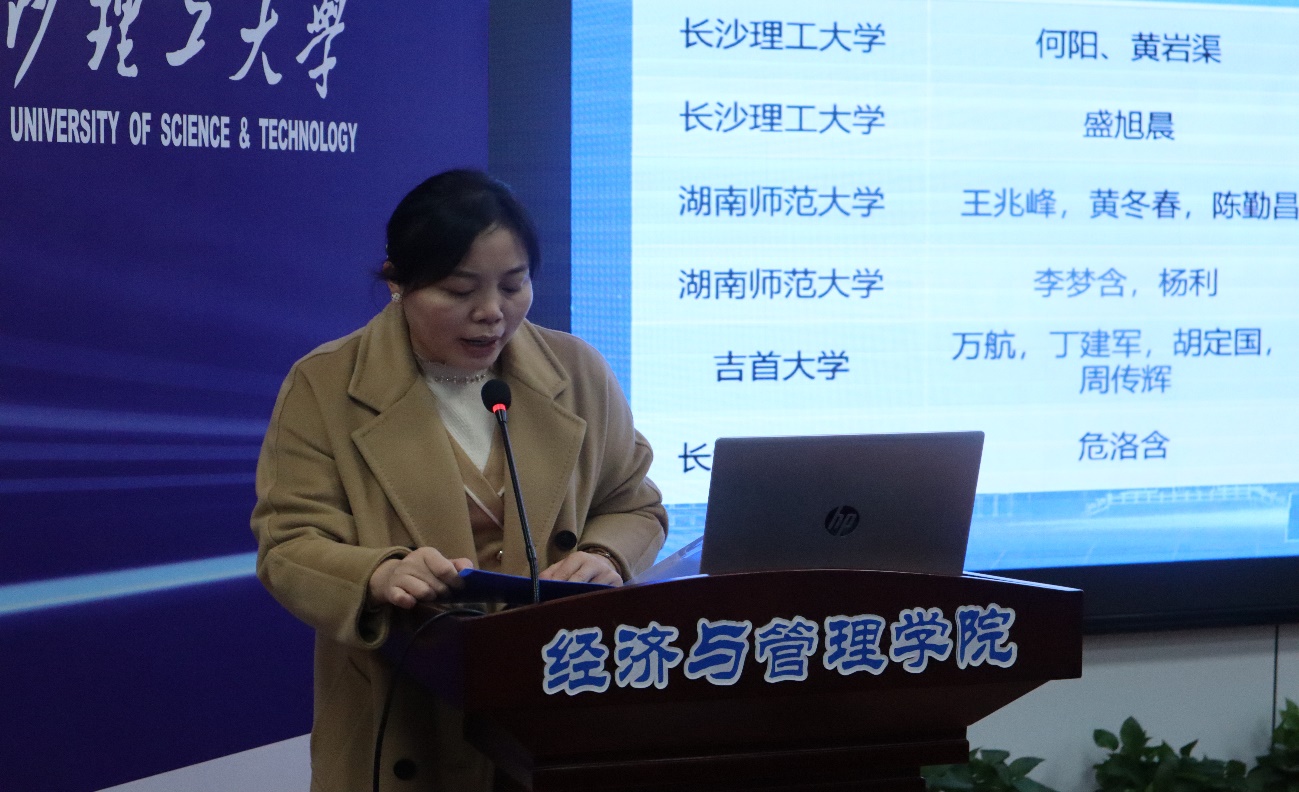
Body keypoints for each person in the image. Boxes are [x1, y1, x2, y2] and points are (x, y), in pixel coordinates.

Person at [250, 169, 667, 792]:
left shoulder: (577, 371)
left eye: (514, 285)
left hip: (554, 707)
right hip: (406, 711)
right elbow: (288, 544)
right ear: (398, 281)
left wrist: (606, 555)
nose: (492, 313)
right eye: (458, 289)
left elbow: (634, 504)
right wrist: (378, 574)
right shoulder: (326, 384)